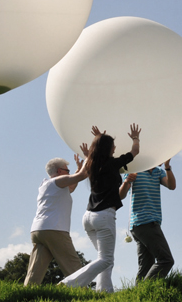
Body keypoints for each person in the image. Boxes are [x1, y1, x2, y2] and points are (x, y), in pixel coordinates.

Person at [61, 124, 141, 292]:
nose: (115, 148)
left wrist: (99, 138)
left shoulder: (91, 163)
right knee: (105, 259)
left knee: (104, 258)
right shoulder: (113, 164)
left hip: (89, 217)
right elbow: (135, 152)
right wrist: (135, 137)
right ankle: (68, 285)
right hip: (103, 217)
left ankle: (104, 291)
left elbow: (94, 152)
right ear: (108, 148)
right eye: (113, 145)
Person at [24, 155, 89, 286]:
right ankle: (84, 293)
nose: (68, 173)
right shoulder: (57, 182)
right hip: (55, 229)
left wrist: (77, 170)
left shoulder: (45, 185)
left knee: (36, 269)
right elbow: (82, 176)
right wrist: (89, 157)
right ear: (59, 171)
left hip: (38, 231)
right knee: (73, 264)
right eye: (67, 171)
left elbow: (71, 186)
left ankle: (27, 293)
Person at [119, 158, 176, 283]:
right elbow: (121, 195)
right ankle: (146, 288)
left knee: (146, 265)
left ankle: (138, 295)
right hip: (144, 222)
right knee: (166, 260)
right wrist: (126, 181)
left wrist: (167, 167)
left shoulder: (158, 172)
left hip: (144, 224)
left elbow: (172, 186)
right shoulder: (135, 170)